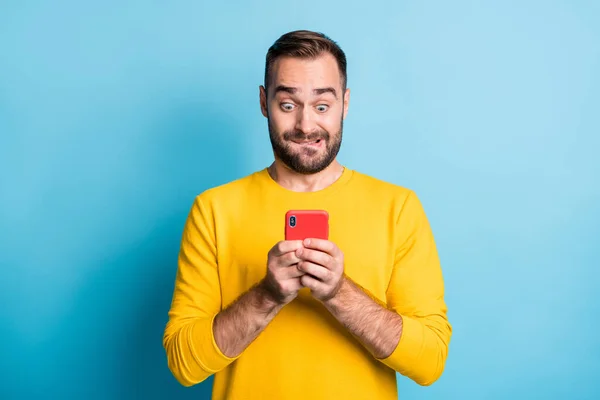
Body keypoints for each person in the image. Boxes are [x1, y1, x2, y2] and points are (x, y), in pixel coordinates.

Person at [163, 30, 452, 399]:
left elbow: (430, 362)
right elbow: (184, 365)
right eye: (288, 104)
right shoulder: (214, 209)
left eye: (322, 105)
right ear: (264, 102)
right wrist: (268, 294)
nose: (305, 125)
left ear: (344, 104)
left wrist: (338, 293)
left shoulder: (398, 208)